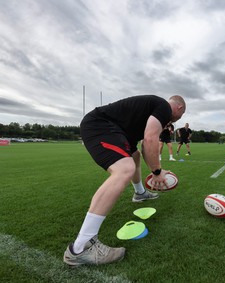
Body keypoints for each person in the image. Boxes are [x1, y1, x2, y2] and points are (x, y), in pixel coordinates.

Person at [63, 95, 186, 266]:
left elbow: (144, 147)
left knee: (133, 156)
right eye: (180, 116)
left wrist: (155, 169)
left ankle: (140, 193)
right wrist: (157, 171)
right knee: (124, 169)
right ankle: (81, 247)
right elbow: (150, 139)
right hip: (101, 125)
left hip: (119, 131)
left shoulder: (148, 111)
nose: (177, 120)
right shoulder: (164, 107)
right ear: (179, 108)